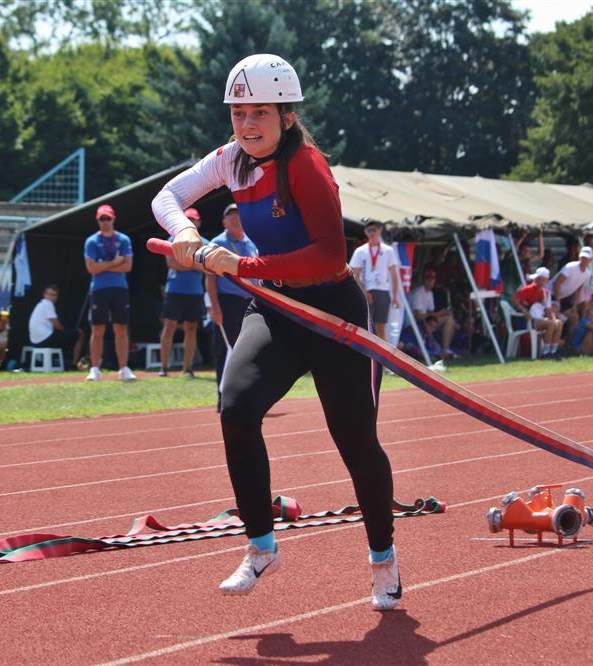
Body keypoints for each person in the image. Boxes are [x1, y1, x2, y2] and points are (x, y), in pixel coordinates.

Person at [151, 54, 400, 611]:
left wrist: (240, 267)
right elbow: (166, 197)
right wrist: (186, 230)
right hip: (279, 306)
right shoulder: (231, 161)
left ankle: (383, 557)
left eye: (259, 111)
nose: (247, 124)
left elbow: (330, 255)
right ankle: (262, 546)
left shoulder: (308, 167)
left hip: (332, 308)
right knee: (235, 407)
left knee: (355, 442)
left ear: (286, 116)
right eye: (238, 112)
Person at [206, 203, 259, 410]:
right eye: (230, 217)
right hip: (228, 302)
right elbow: (210, 279)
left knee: (250, 352)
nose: (235, 219)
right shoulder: (216, 244)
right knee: (225, 351)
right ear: (224, 222)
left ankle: (246, 397)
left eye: (238, 215)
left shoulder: (251, 243)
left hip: (252, 303)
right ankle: (224, 398)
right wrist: (215, 307)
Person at [84, 204, 136, 381]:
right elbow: (91, 268)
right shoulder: (91, 241)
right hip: (99, 289)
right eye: (102, 219)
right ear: (98, 220)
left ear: (113, 219)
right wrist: (115, 262)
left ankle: (124, 368)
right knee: (97, 329)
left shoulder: (124, 239)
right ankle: (94, 368)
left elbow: (128, 266)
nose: (105, 221)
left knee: (121, 328)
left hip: (119, 288)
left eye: (108, 218)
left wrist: (103, 266)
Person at [159, 207, 207, 377]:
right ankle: (164, 368)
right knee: (169, 326)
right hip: (175, 290)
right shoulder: (173, 239)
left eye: (193, 219)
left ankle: (187, 368)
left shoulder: (205, 242)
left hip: (194, 291)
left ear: (199, 223)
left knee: (191, 328)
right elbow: (172, 264)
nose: (191, 222)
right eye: (188, 219)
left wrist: (187, 264)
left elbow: (206, 267)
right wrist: (194, 264)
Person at [349, 221, 401, 339]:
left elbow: (394, 274)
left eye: (374, 230)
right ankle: (366, 355)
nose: (372, 233)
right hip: (366, 290)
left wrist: (395, 296)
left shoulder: (388, 250)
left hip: (382, 290)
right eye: (369, 230)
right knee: (365, 326)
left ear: (380, 230)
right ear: (365, 232)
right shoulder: (360, 251)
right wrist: (364, 292)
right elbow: (355, 274)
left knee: (380, 326)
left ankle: (382, 357)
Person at [511, 267, 564, 359]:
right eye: (538, 279)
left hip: (539, 318)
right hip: (527, 320)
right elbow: (514, 299)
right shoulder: (528, 289)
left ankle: (553, 351)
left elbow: (548, 310)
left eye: (543, 280)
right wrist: (524, 310)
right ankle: (545, 353)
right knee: (551, 324)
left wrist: (554, 319)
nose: (540, 282)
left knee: (558, 323)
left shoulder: (546, 293)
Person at [28, 285, 81, 368]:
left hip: (35, 342)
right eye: (50, 294)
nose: (52, 297)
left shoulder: (40, 305)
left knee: (65, 335)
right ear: (44, 295)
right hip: (44, 340)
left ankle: (61, 361)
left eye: (54, 295)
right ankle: (74, 364)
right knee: (80, 333)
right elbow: (56, 325)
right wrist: (65, 331)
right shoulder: (47, 304)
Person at [411, 269, 456, 362]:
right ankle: (434, 350)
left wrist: (441, 314)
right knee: (431, 323)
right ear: (424, 280)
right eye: (428, 279)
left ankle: (445, 349)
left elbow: (430, 312)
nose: (430, 282)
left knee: (449, 319)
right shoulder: (418, 292)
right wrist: (438, 314)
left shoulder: (430, 293)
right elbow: (418, 316)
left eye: (432, 279)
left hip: (427, 320)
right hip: (416, 323)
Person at [551, 246, 593, 335]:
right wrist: (557, 302)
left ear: (591, 260)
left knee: (574, 317)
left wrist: (574, 306)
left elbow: (578, 289)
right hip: (551, 295)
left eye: (586, 258)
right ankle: (551, 345)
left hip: (564, 298)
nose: (584, 260)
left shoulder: (588, 274)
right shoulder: (570, 267)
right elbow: (557, 284)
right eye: (582, 257)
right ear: (579, 257)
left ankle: (569, 344)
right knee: (553, 317)